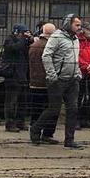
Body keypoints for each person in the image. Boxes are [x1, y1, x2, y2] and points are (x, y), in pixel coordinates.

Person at [31, 14, 83, 148]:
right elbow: (46, 55)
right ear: (68, 24)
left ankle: (69, 140)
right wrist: (52, 74)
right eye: (76, 24)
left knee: (73, 109)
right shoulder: (57, 37)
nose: (79, 27)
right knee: (54, 109)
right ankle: (35, 130)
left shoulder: (76, 39)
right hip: (58, 80)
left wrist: (77, 72)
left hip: (73, 79)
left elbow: (75, 57)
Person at [27, 24, 58, 144]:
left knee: (36, 109)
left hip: (34, 81)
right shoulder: (50, 47)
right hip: (47, 82)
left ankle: (35, 134)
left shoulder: (33, 45)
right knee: (50, 108)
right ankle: (46, 133)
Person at [3, 24, 32, 132]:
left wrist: (29, 40)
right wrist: (24, 40)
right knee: (11, 101)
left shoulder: (24, 42)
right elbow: (15, 48)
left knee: (23, 101)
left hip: (23, 74)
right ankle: (10, 123)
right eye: (22, 33)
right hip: (12, 75)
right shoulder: (9, 40)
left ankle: (20, 122)